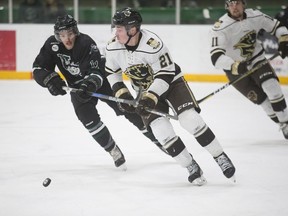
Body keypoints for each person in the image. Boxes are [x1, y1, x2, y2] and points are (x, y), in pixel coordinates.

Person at [105, 7, 236, 184]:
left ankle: (220, 156)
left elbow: (165, 74)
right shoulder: (113, 47)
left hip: (172, 83)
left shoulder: (153, 44)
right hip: (144, 91)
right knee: (161, 132)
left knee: (190, 119)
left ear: (133, 29)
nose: (116, 32)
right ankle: (190, 166)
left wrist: (151, 97)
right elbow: (112, 72)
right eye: (116, 28)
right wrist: (122, 93)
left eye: (119, 29)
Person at [32, 14, 162, 171]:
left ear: (76, 32)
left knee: (129, 109)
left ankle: (159, 140)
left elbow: (96, 71)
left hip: (102, 82)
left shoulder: (86, 43)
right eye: (62, 35)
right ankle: (112, 150)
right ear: (57, 35)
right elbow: (39, 68)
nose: (67, 39)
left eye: (70, 34)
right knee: (89, 120)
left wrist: (90, 84)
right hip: (77, 89)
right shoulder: (51, 45)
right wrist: (49, 80)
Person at [209, 0, 288, 138]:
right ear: (226, 6)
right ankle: (282, 123)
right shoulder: (220, 27)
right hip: (235, 69)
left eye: (237, 3)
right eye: (230, 4)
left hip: (257, 60)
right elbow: (216, 59)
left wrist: (284, 39)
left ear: (243, 4)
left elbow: (278, 26)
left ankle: (286, 124)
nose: (234, 7)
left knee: (272, 87)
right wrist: (236, 66)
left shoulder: (255, 16)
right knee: (263, 101)